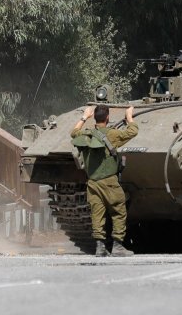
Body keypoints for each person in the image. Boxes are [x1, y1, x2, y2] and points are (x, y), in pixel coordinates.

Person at [71, 104, 138, 257]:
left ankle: (100, 247)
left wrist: (83, 117)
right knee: (119, 211)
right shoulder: (113, 134)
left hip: (93, 183)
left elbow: (73, 132)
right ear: (107, 117)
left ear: (94, 117)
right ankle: (118, 246)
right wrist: (129, 116)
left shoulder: (86, 134)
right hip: (109, 182)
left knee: (97, 213)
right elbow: (133, 131)